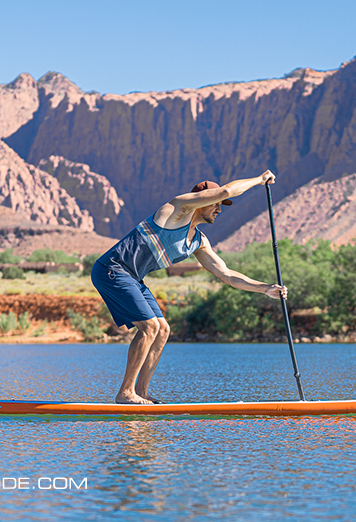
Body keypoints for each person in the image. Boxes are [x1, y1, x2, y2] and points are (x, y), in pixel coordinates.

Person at [91, 170, 288, 404]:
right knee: (150, 327)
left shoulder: (198, 241)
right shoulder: (176, 210)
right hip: (112, 268)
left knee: (162, 330)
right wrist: (259, 180)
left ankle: (141, 394)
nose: (219, 208)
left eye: (221, 205)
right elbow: (225, 190)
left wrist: (265, 288)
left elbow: (226, 274)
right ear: (203, 199)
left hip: (133, 276)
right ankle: (125, 393)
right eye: (216, 203)